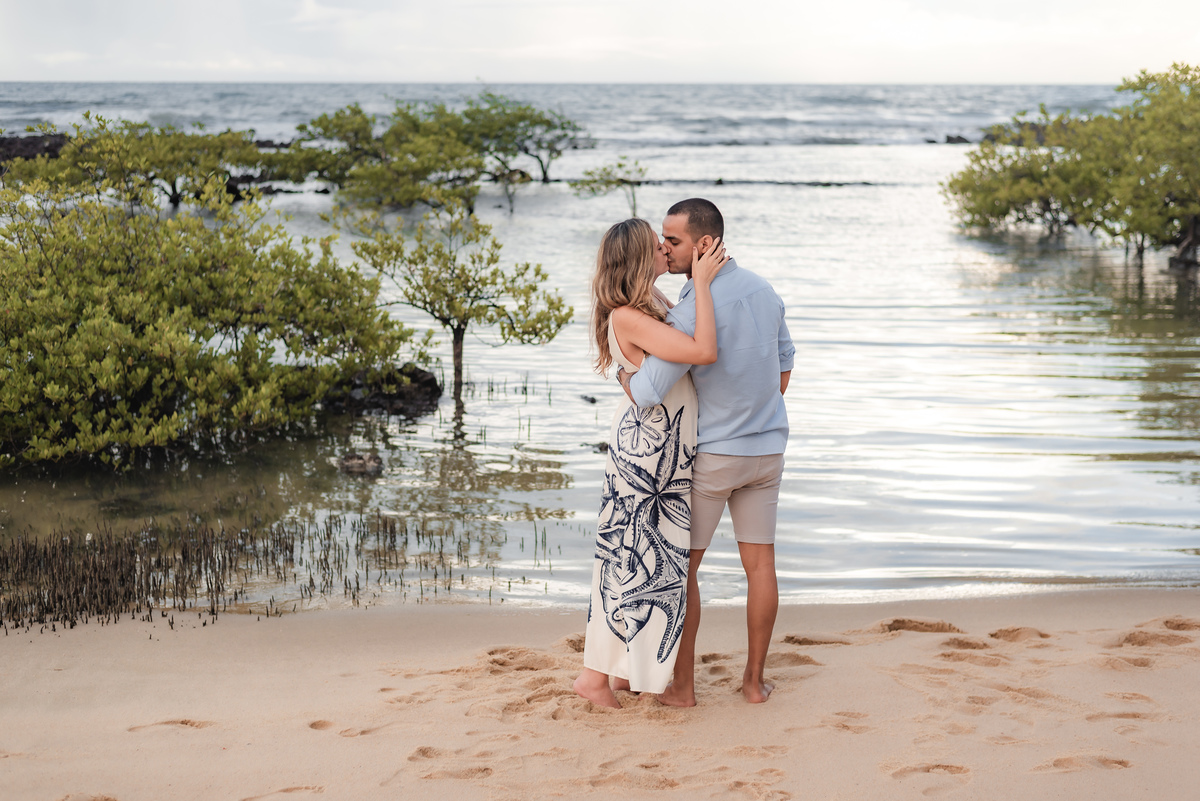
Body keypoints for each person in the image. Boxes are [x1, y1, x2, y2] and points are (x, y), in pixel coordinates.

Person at [618, 198, 793, 705]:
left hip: (715, 457)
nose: (664, 248)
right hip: (768, 450)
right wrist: (752, 409)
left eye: (673, 241)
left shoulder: (694, 308)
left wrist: (623, 373)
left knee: (682, 570)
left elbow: (649, 390)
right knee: (760, 566)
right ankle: (754, 683)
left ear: (705, 244)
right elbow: (784, 366)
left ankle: (683, 687)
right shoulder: (763, 289)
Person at [573, 217, 729, 709]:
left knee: (647, 563)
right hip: (647, 455)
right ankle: (593, 678)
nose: (666, 247)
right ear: (640, 257)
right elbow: (703, 350)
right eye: (656, 244)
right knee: (628, 562)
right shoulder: (627, 315)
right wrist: (701, 282)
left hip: (667, 451)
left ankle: (623, 672)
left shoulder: (653, 302)